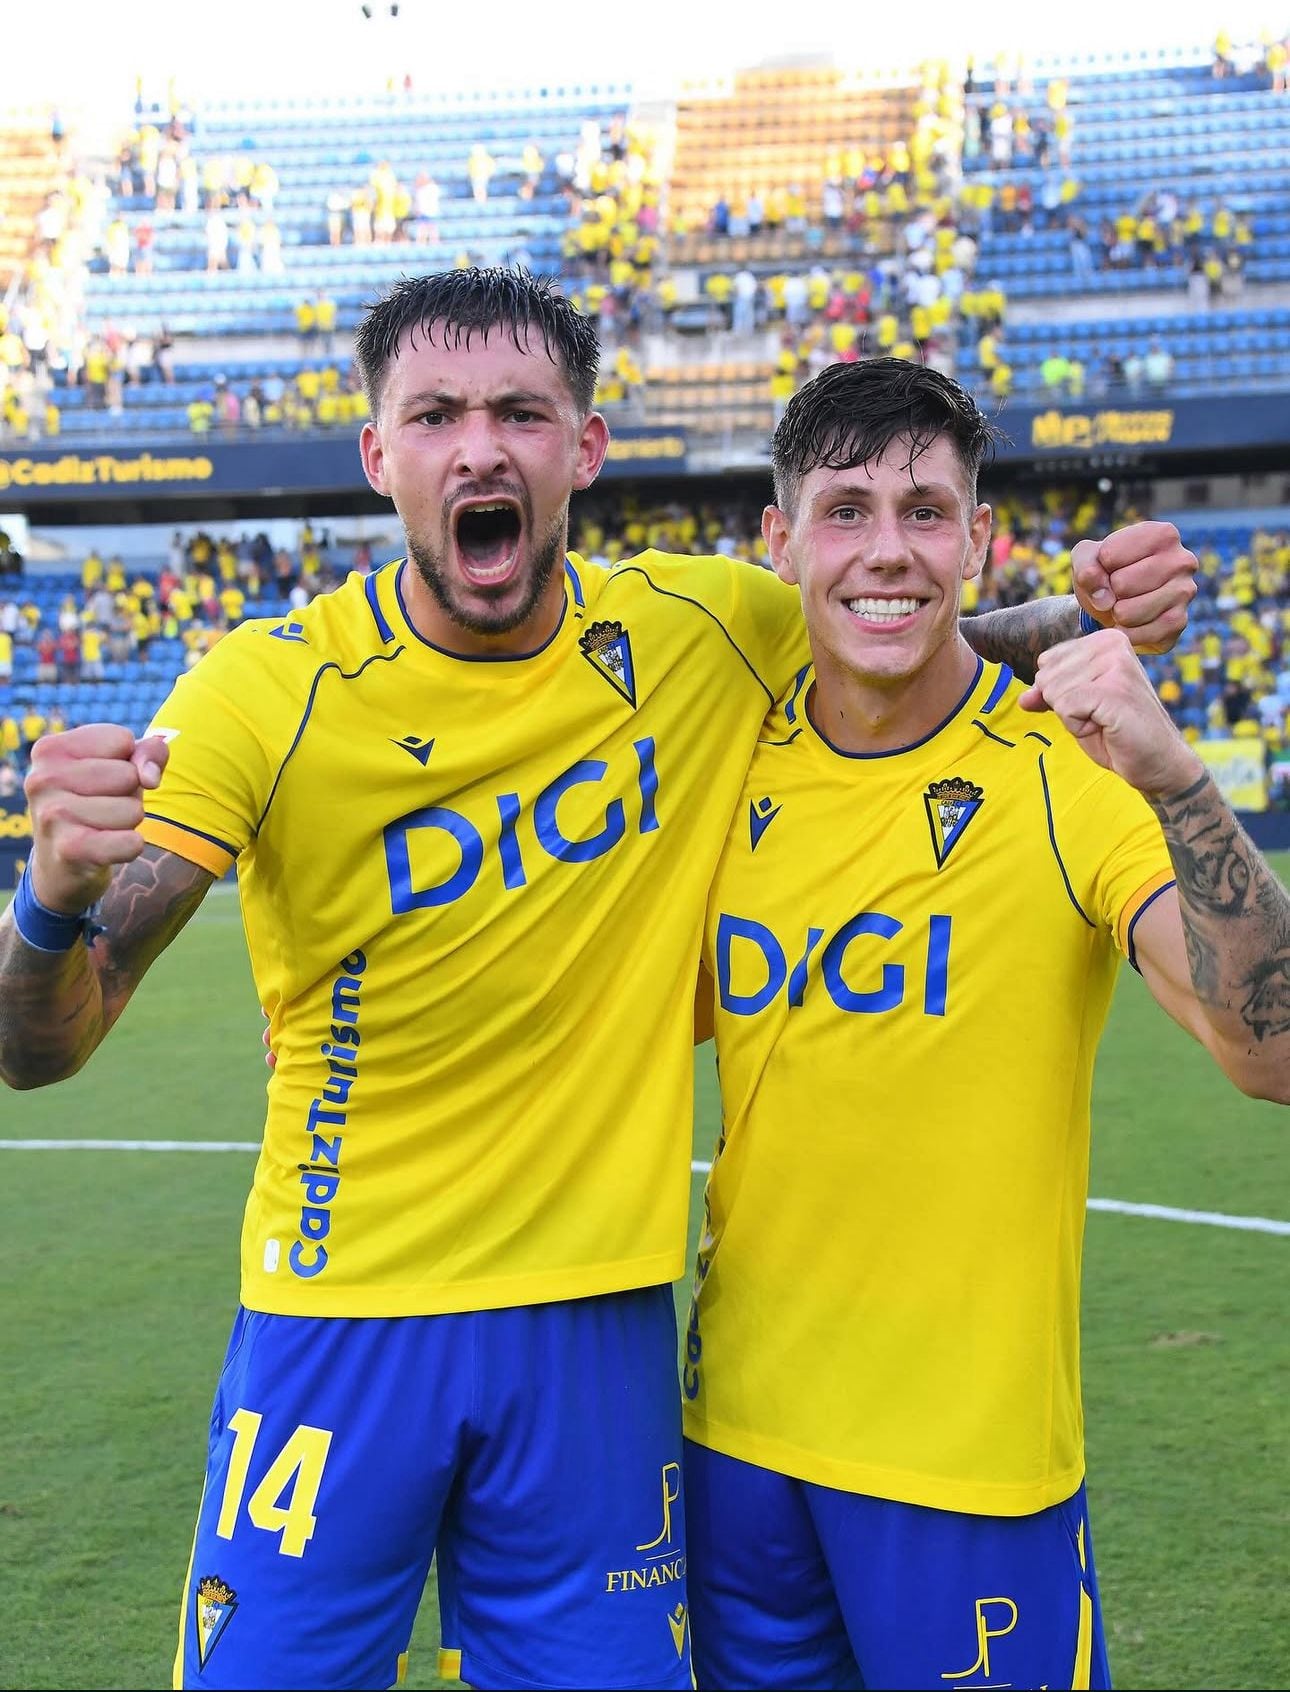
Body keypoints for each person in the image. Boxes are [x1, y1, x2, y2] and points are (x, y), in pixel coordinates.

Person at [0, 273, 1197, 1692]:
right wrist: (51, 901)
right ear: (378, 456)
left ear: (588, 447)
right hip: (341, 1317)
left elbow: (885, 627)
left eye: (522, 411)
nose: (480, 448)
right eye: (434, 414)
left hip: (599, 1330)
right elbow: (39, 1048)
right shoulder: (266, 690)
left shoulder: (701, 626)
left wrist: (1074, 615)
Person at [680, 359, 1289, 1691]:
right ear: (779, 543)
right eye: (843, 510)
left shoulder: (1064, 766)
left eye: (921, 510)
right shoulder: (729, 765)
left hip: (968, 1474)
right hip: (733, 1455)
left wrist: (1176, 775)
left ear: (977, 540)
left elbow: (1273, 1053)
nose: (882, 548)